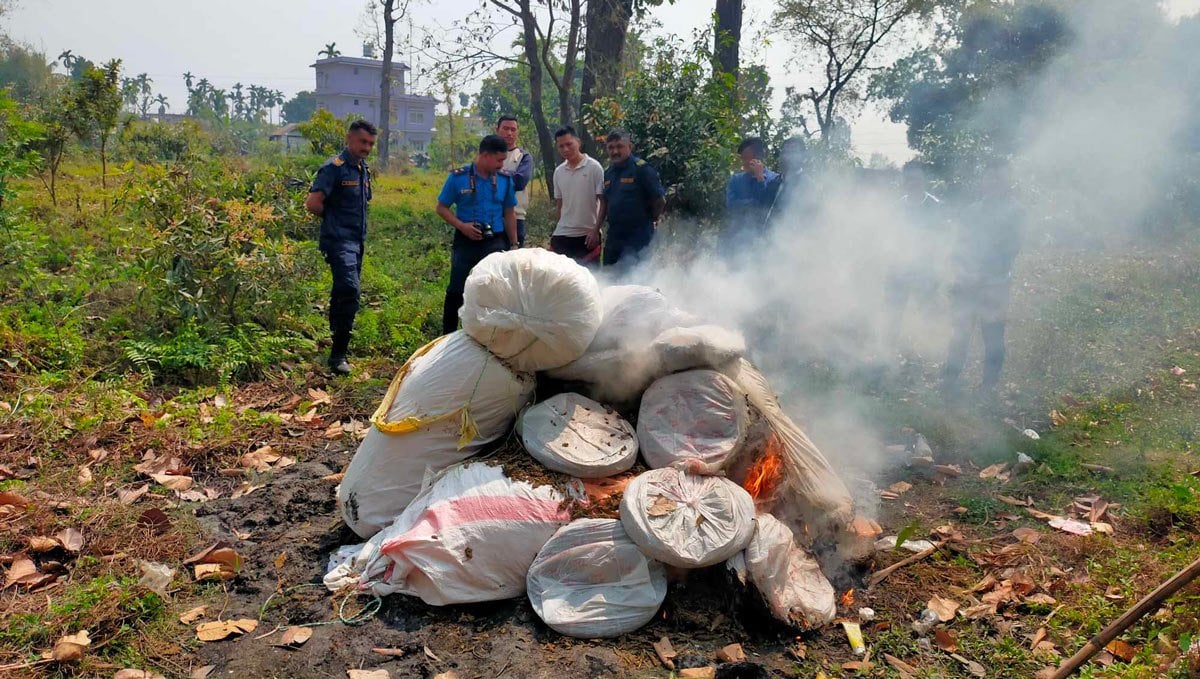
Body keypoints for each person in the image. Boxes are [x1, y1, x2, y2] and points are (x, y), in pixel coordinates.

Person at [942, 161, 1023, 400]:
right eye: (989, 179)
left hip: (995, 286)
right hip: (967, 283)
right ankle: (949, 381)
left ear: (1006, 183)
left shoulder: (1016, 212)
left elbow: (1011, 249)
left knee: (993, 336)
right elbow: (960, 245)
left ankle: (988, 387)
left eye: (998, 179)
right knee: (960, 334)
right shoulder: (972, 211)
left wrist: (984, 273)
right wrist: (960, 274)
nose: (993, 183)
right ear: (983, 182)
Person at [305, 119, 377, 375]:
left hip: (357, 241)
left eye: (370, 144)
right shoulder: (333, 168)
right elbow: (313, 203)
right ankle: (338, 357)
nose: (366, 147)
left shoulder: (362, 170)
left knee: (342, 292)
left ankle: (336, 338)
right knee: (349, 291)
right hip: (339, 241)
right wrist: (334, 222)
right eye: (362, 142)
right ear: (349, 139)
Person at [436, 134, 520, 334]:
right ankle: (447, 335)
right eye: (499, 160)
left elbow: (509, 212)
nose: (501, 164)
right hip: (466, 241)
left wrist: (515, 244)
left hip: (495, 241)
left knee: (495, 290)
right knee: (456, 289)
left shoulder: (505, 180)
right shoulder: (458, 177)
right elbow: (441, 207)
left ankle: (490, 334)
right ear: (484, 155)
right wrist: (462, 226)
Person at [592, 129, 665, 270]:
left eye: (619, 146)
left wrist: (652, 218)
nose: (615, 151)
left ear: (630, 147)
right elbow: (605, 203)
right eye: (611, 147)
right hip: (614, 237)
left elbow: (659, 199)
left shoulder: (642, 169)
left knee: (637, 279)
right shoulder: (608, 173)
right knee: (609, 277)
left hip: (638, 237)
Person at [550, 126, 605, 264]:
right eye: (561, 146)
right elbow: (559, 205)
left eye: (569, 144)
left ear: (578, 142)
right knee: (560, 280)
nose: (565, 149)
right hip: (562, 235)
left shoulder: (594, 167)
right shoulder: (559, 172)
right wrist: (558, 226)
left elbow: (603, 202)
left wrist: (596, 230)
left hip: (587, 235)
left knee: (590, 279)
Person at [496, 115, 533, 247]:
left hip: (517, 218)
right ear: (497, 130)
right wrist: (507, 175)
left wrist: (494, 174)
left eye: (513, 129)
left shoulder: (524, 157)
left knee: (514, 262)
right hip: (491, 216)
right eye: (505, 128)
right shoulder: (488, 154)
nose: (509, 133)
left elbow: (519, 181)